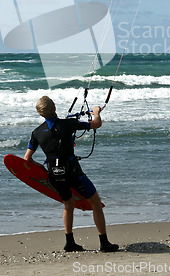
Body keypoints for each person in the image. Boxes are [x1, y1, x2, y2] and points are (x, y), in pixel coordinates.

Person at [24, 95, 119, 253]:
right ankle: (104, 243)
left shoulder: (36, 132)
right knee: (95, 202)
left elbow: (27, 159)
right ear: (54, 108)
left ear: (40, 113)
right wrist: (96, 112)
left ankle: (70, 243)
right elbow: (97, 124)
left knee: (68, 205)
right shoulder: (68, 124)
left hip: (54, 175)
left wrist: (40, 167)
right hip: (73, 173)